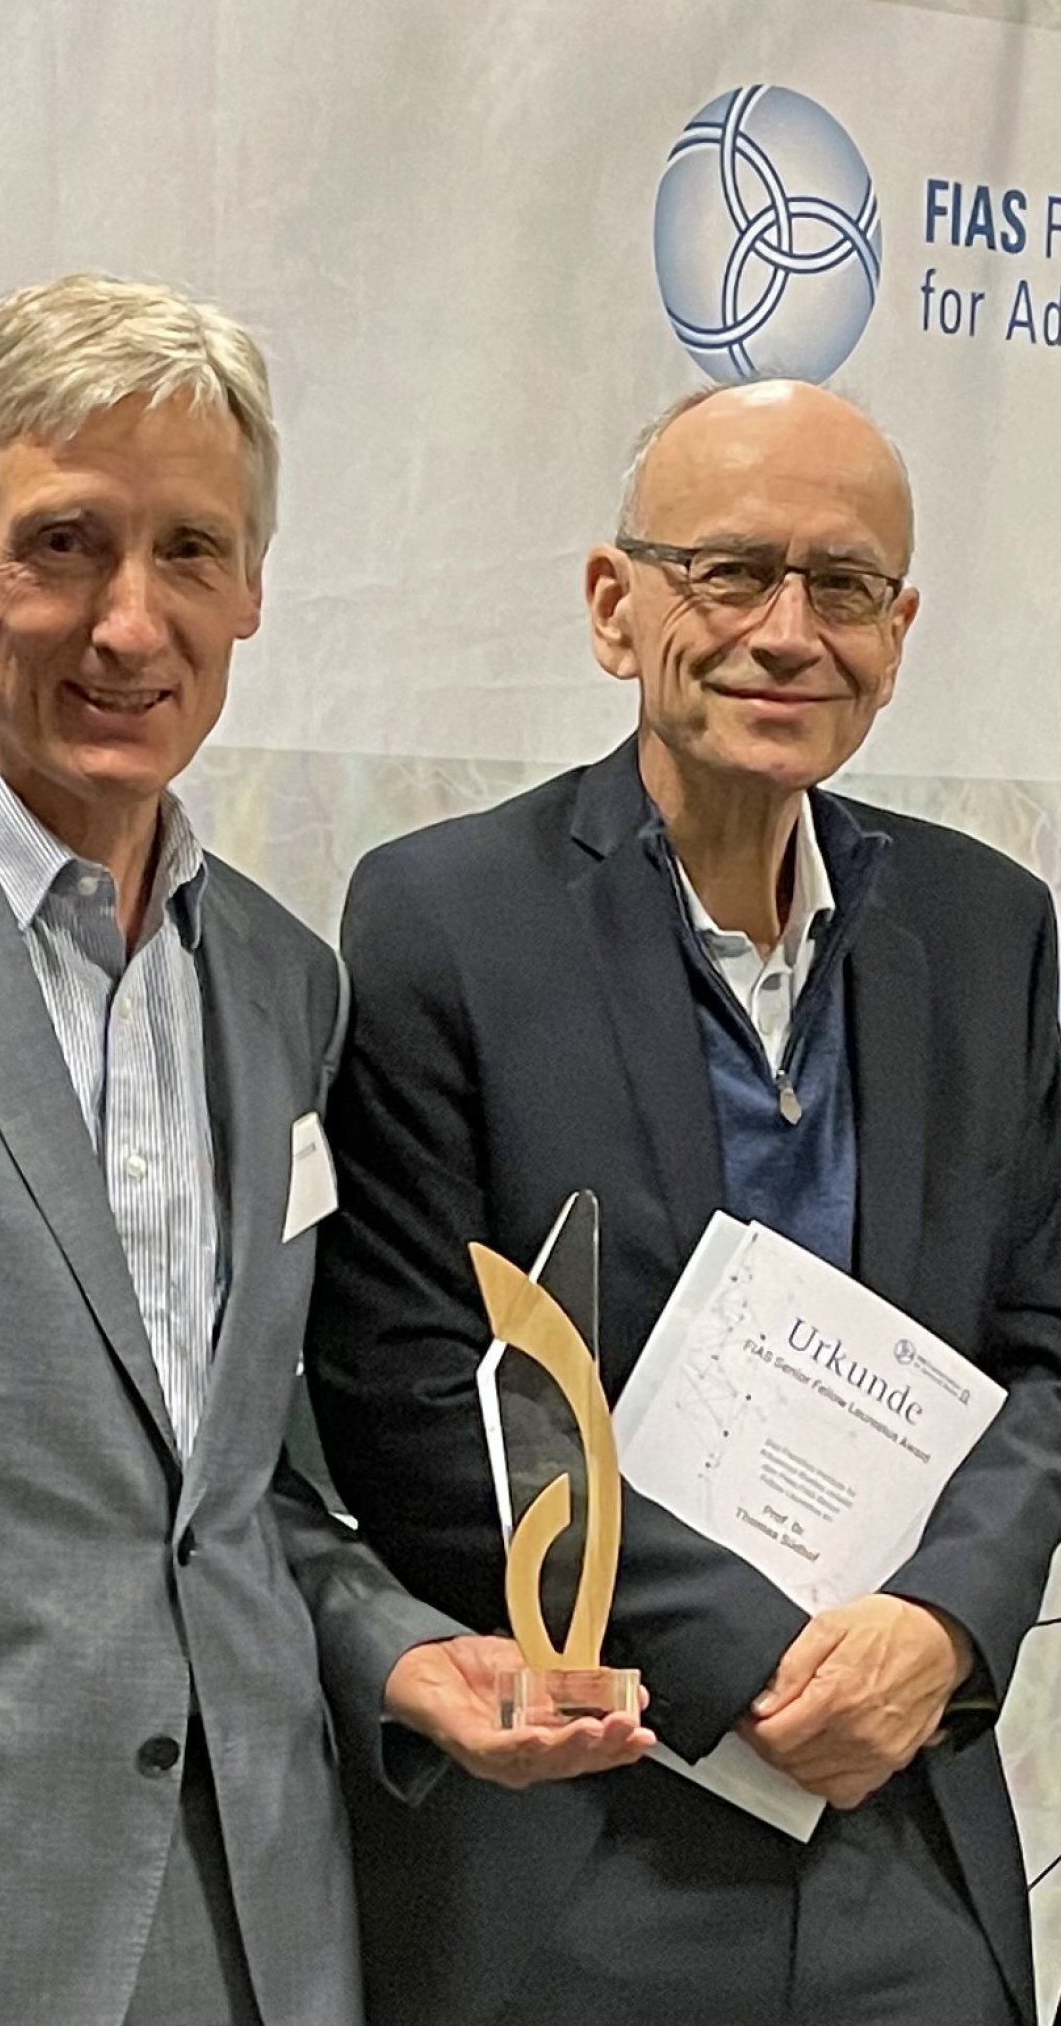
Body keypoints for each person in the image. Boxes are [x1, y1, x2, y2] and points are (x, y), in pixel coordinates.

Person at [0, 274, 647, 2026]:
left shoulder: (282, 979)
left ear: (253, 589)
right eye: (63, 545)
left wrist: (409, 1656)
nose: (128, 622)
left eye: (189, 551)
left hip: (266, 1925)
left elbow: (242, 1499)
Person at [307, 378, 1061, 2026]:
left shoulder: (989, 930)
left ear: (902, 626)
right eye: (730, 573)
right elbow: (413, 1389)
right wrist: (761, 1663)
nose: (788, 631)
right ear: (613, 602)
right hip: (586, 1831)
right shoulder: (446, 921)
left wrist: (940, 1627)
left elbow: (1045, 1348)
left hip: (907, 1847)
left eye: (844, 586)